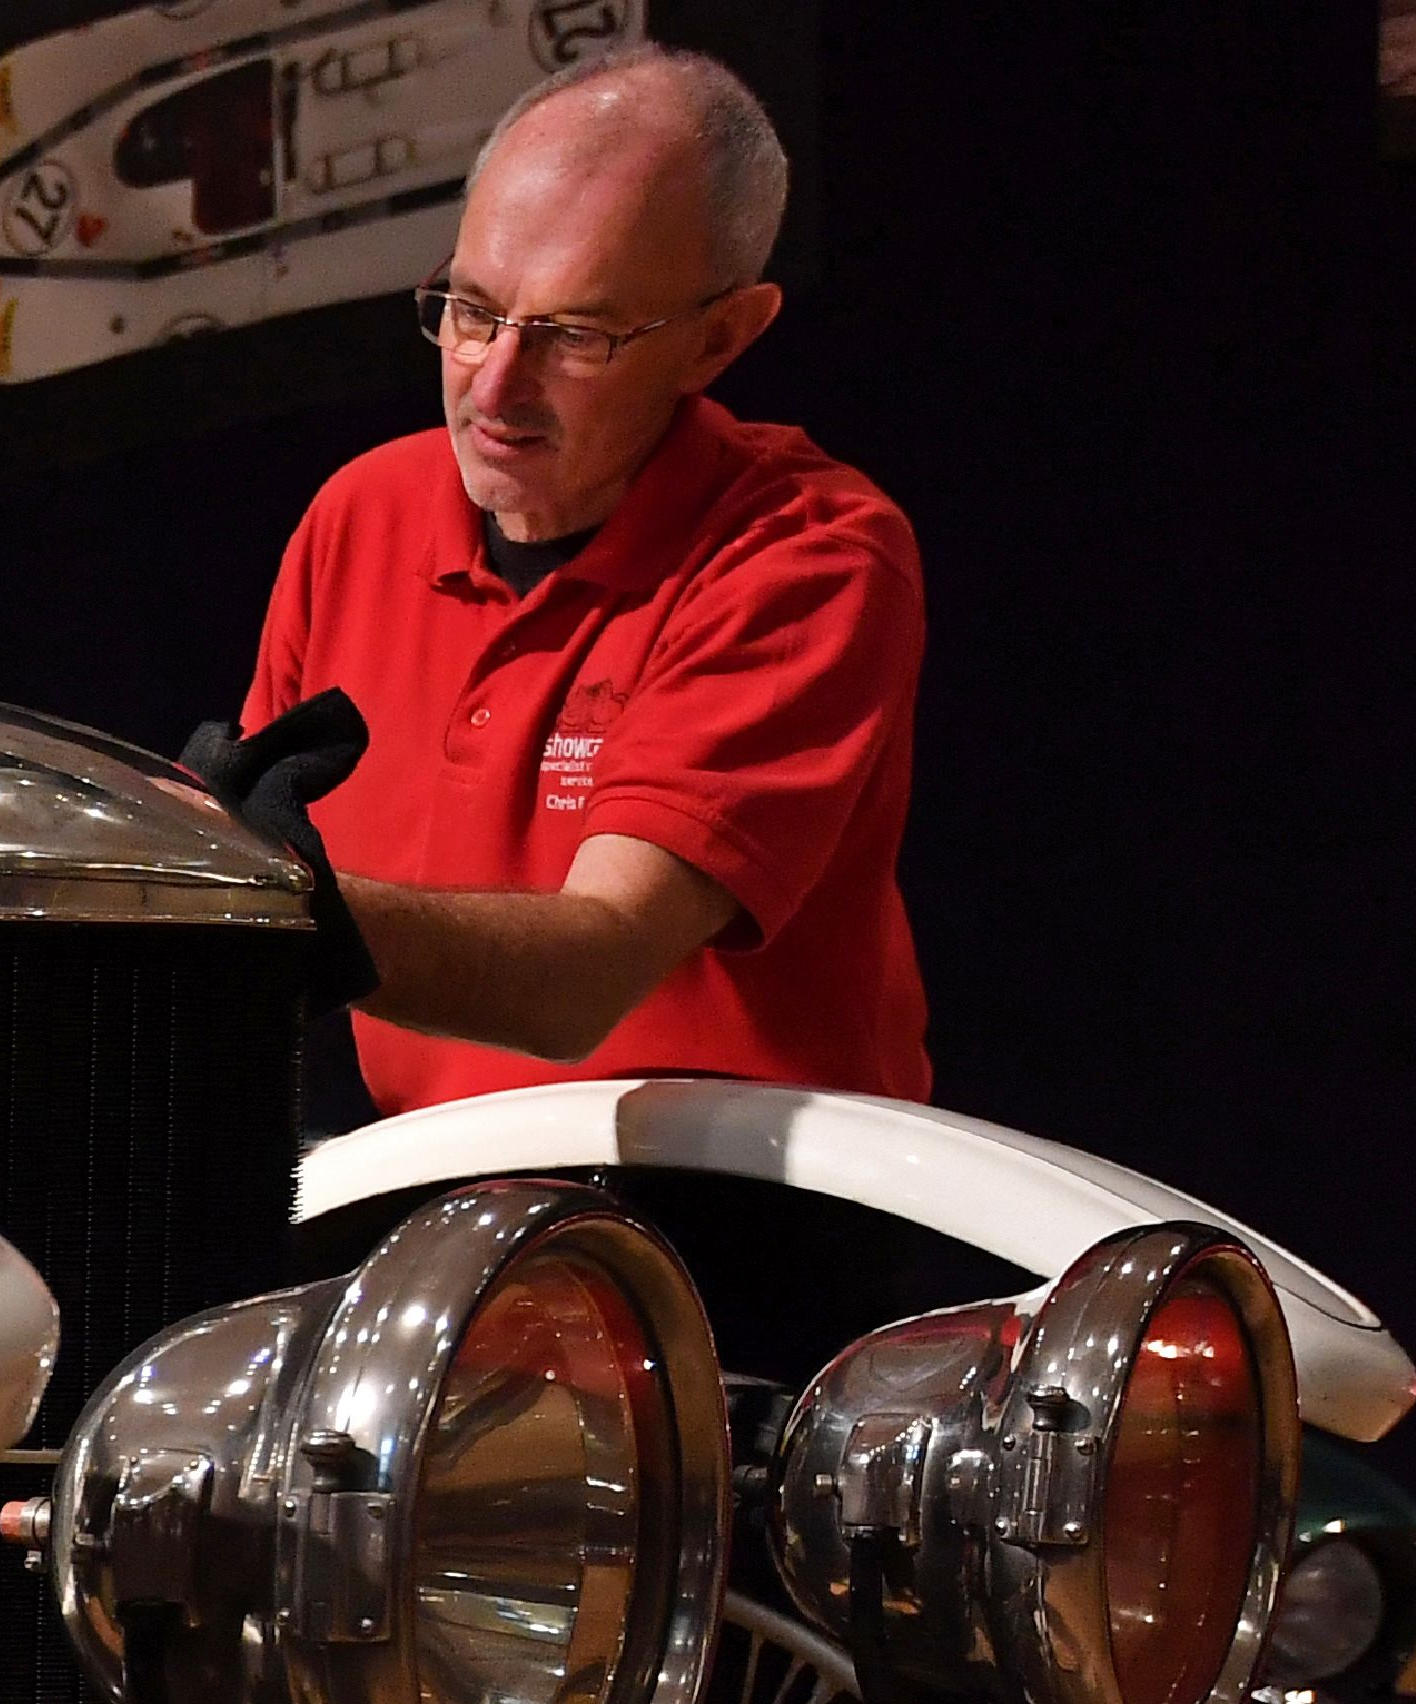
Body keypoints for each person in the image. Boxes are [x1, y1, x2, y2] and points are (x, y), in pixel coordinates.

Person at [205, 46, 925, 1114]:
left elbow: (585, 977)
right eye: (470, 308)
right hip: (441, 1197)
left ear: (719, 339)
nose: (493, 383)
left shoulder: (805, 553)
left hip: (730, 1209)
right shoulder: (359, 515)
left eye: (574, 336)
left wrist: (253, 912)